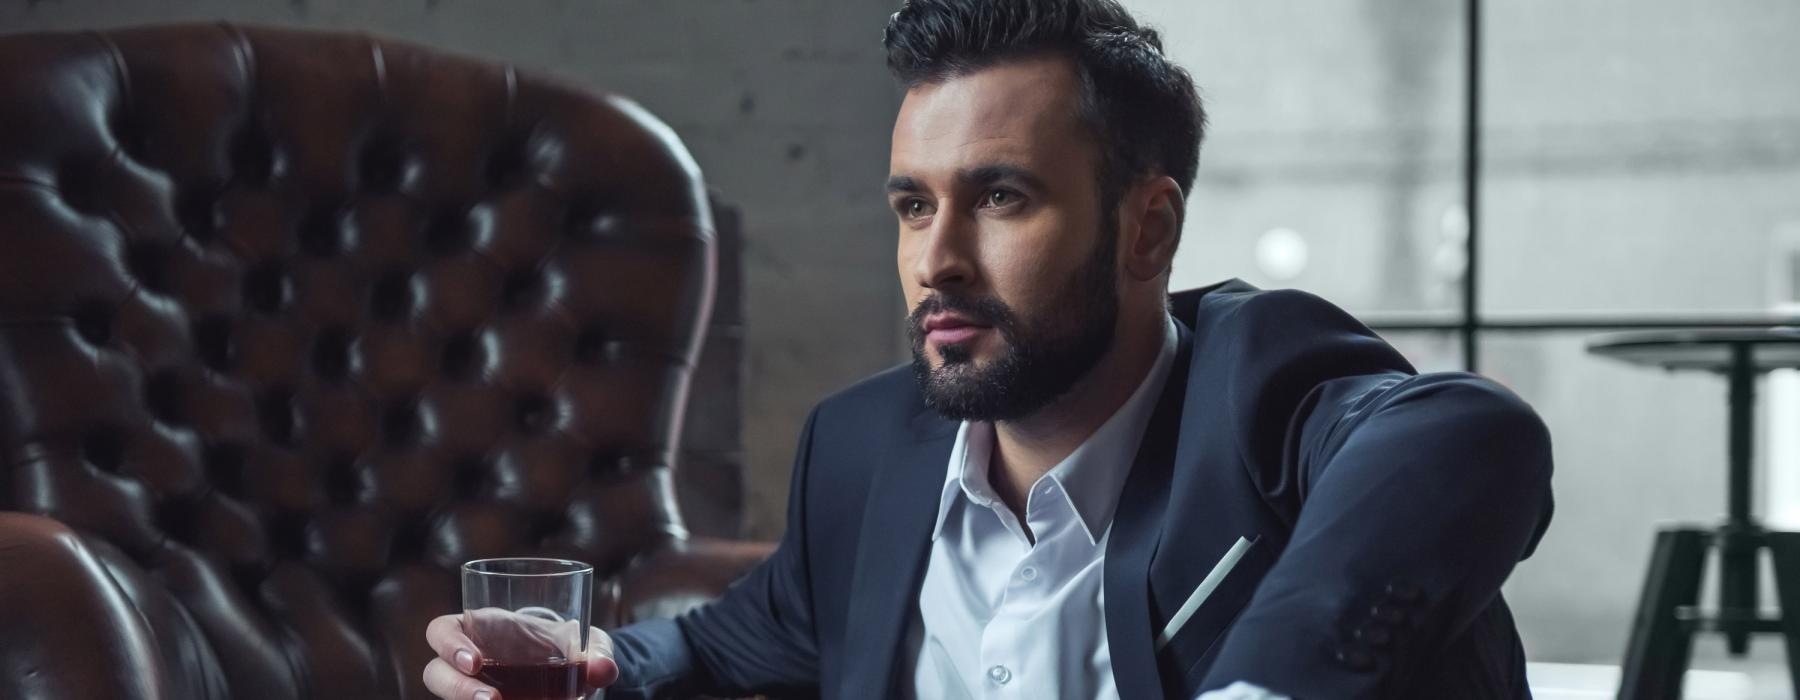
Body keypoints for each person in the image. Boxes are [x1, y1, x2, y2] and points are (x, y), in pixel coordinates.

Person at [424, 0, 1554, 697]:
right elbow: (732, 638)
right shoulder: (865, 448)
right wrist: (586, 664)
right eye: (913, 206)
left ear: (1147, 227)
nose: (939, 260)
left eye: (1001, 197)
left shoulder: (1255, 389)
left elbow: (1467, 435)